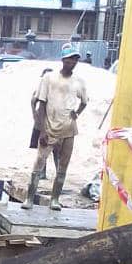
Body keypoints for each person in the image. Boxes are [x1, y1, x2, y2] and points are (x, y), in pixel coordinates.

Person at [22, 45, 88, 211]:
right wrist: (42, 129)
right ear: (63, 59)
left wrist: (77, 113)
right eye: (69, 58)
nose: (72, 62)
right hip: (49, 128)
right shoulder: (49, 78)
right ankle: (29, 197)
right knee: (39, 162)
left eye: (75, 59)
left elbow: (85, 101)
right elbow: (41, 103)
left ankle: (55, 199)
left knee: (63, 166)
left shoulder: (79, 82)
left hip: (69, 129)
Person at [30, 67, 57, 179]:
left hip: (55, 123)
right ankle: (42, 172)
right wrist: (36, 116)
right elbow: (33, 101)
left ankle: (58, 174)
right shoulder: (40, 90)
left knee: (56, 149)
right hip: (43, 123)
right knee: (43, 148)